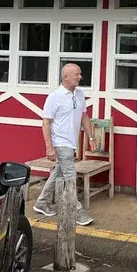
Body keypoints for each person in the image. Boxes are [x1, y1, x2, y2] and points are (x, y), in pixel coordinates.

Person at [33, 63, 96, 225]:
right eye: (77, 74)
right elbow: (46, 123)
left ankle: (42, 202)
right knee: (70, 176)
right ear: (66, 76)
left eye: (80, 74)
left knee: (59, 173)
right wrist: (49, 147)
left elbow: (84, 117)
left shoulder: (80, 94)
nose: (80, 77)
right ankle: (76, 211)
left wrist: (91, 138)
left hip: (72, 141)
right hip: (60, 142)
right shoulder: (55, 96)